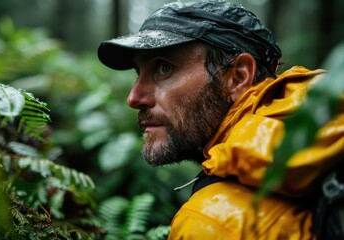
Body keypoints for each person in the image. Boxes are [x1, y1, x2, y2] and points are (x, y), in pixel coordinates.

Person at [97, 1, 344, 239]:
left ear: (237, 77)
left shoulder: (209, 221)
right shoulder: (323, 133)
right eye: (139, 73)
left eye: (164, 68)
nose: (134, 97)